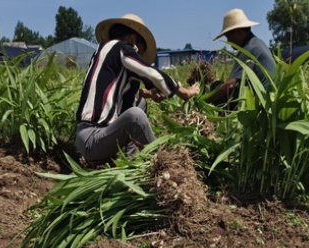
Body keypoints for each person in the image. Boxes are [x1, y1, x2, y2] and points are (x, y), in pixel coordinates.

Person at [76, 14, 200, 165]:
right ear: (133, 40)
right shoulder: (122, 48)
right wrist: (184, 92)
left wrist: (148, 93)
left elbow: (117, 91)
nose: (138, 56)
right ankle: (164, 164)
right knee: (136, 116)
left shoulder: (105, 53)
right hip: (94, 139)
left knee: (140, 103)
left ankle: (132, 160)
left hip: (93, 137)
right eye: (138, 52)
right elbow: (150, 73)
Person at [208, 9, 276, 107]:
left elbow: (230, 85)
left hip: (261, 102)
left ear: (238, 32)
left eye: (228, 37)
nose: (229, 42)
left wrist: (206, 100)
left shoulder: (249, 48)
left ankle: (224, 119)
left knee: (216, 87)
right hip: (270, 98)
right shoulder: (258, 43)